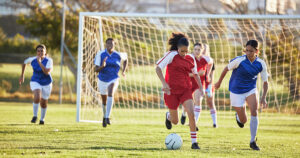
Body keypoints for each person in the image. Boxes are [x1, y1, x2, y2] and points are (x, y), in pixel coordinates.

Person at [214, 40, 268, 150]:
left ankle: (253, 141)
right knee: (244, 120)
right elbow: (226, 69)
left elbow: (265, 82)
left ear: (257, 51)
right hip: (236, 91)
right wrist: (219, 82)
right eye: (246, 50)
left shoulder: (261, 64)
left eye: (251, 51)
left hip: (251, 89)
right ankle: (238, 117)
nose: (248, 53)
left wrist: (263, 98)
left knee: (254, 111)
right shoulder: (240, 60)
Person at [155, 32, 205, 149]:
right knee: (175, 121)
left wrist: (201, 88)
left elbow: (196, 74)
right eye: (182, 51)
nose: (184, 53)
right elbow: (158, 69)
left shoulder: (190, 58)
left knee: (191, 114)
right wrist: (164, 83)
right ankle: (169, 116)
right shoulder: (171, 55)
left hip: (185, 90)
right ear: (177, 48)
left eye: (186, 51)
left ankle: (194, 143)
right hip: (171, 91)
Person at [180, 43, 218, 128]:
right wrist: (196, 74)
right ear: (193, 50)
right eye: (195, 49)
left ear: (202, 50)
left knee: (198, 101)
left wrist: (207, 74)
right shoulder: (189, 58)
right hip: (188, 83)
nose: (197, 51)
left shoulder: (205, 59)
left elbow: (211, 62)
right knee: (186, 103)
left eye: (199, 49)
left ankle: (194, 123)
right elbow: (185, 73)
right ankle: (183, 114)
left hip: (200, 85)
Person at [94, 38, 128, 128]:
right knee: (104, 101)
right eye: (108, 43)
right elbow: (95, 70)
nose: (110, 45)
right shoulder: (100, 54)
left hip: (114, 78)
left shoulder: (118, 54)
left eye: (111, 43)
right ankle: (104, 116)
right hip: (102, 79)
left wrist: (123, 71)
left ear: (114, 45)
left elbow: (126, 59)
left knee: (110, 91)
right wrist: (102, 66)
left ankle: (107, 117)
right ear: (105, 44)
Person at [19, 44, 53, 125]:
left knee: (44, 102)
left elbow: (46, 72)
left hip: (46, 83)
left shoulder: (49, 61)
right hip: (35, 81)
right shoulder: (32, 59)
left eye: (42, 51)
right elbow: (24, 62)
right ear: (36, 52)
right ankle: (34, 116)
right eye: (38, 51)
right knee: (37, 96)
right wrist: (22, 75)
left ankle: (42, 119)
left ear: (45, 52)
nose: (40, 52)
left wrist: (39, 62)